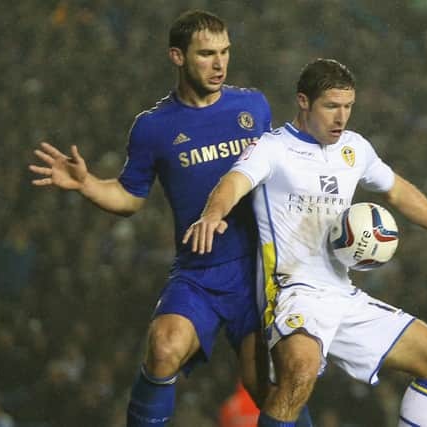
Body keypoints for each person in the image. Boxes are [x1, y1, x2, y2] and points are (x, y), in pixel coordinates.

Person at [29, 10, 313, 427]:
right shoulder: (152, 127)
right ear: (177, 57)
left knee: (269, 391)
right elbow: (130, 196)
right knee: (163, 346)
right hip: (198, 272)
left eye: (225, 52)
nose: (219, 64)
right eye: (206, 54)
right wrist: (88, 184)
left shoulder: (253, 105)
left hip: (256, 272)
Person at [183, 58, 427, 427]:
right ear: (303, 101)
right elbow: (235, 181)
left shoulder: (355, 149)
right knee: (301, 371)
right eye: (331, 106)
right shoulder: (273, 148)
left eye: (348, 107)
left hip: (342, 296)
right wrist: (214, 214)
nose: (341, 117)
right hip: (292, 292)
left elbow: (396, 191)